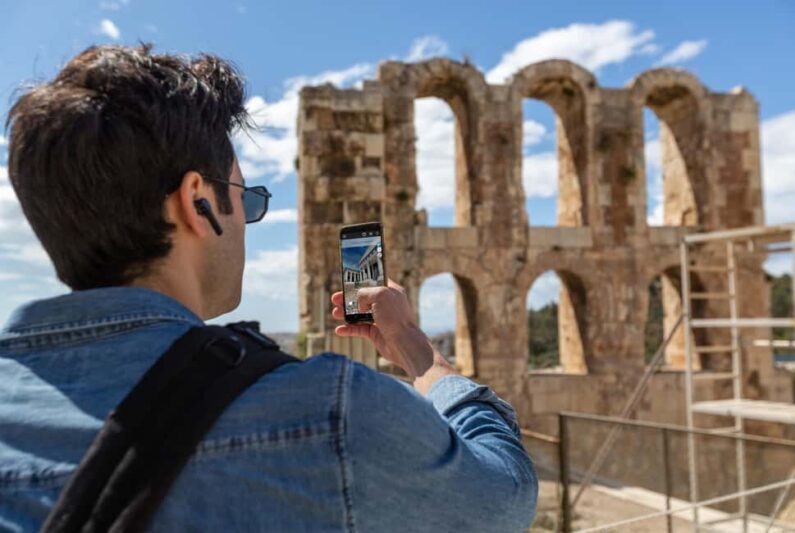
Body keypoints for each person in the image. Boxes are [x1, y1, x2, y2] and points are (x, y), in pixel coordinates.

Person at [0, 44, 537, 532]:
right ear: (199, 202)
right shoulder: (331, 413)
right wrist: (417, 353)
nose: (247, 224)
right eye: (247, 199)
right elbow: (503, 498)